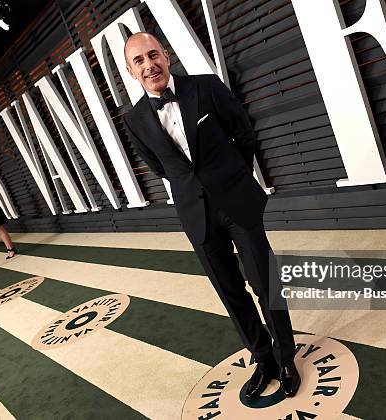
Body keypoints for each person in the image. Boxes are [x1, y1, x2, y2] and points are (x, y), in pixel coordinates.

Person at [123, 32, 300, 399]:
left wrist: (233, 178)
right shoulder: (135, 119)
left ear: (166, 56)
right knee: (230, 292)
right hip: (196, 215)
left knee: (263, 281)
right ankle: (263, 358)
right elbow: (160, 167)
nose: (149, 64)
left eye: (153, 54)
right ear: (131, 71)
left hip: (236, 202)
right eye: (139, 60)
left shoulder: (206, 87)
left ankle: (285, 357)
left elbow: (244, 134)